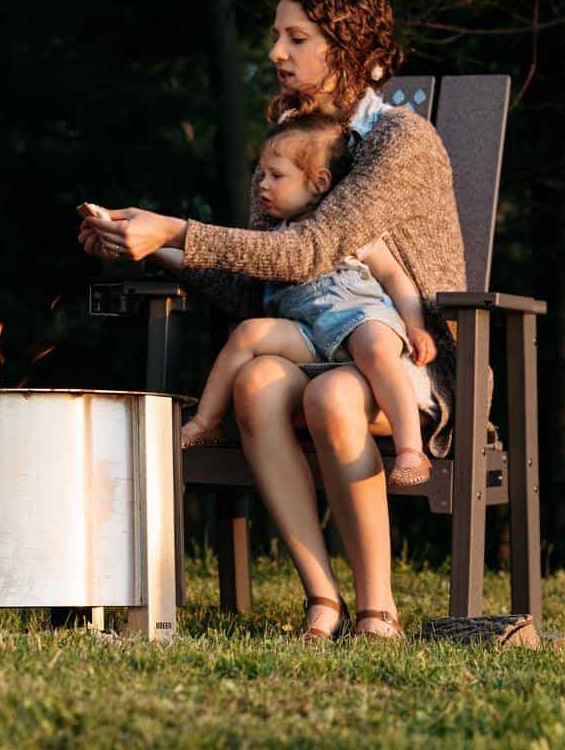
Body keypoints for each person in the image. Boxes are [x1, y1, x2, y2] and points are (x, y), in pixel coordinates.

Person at [80, 0, 466, 641]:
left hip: (404, 356)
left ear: (344, 47)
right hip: (311, 339)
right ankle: (323, 598)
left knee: (332, 399)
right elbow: (256, 284)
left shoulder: (399, 142)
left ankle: (378, 610)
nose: (278, 53)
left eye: (298, 37)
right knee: (257, 382)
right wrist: (146, 250)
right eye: (276, 36)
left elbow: (308, 252)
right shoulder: (294, 142)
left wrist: (175, 228)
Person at [174, 112, 437, 490]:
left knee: (377, 348)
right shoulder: (276, 238)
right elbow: (211, 260)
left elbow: (396, 276)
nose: (263, 185)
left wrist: (415, 325)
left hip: (362, 315)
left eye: (276, 176)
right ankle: (206, 421)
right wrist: (154, 248)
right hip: (308, 334)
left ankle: (411, 448)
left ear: (318, 182)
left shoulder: (348, 230)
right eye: (262, 174)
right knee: (249, 333)